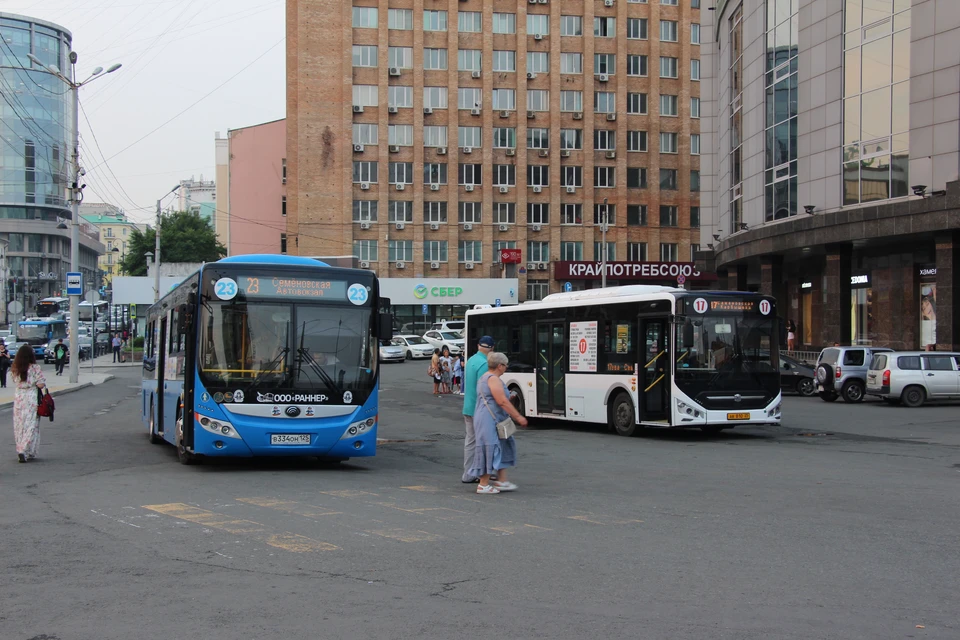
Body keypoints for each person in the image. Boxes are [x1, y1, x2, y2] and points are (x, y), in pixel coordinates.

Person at [469, 351, 528, 494]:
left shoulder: (487, 377)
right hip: (488, 419)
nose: (507, 367)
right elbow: (501, 401)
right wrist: (518, 416)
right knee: (489, 446)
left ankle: (502, 480)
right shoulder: (493, 379)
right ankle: (483, 484)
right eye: (506, 365)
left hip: (492, 418)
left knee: (503, 444)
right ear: (500, 366)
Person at [461, 335, 494, 483]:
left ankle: (468, 473)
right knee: (485, 442)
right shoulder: (484, 364)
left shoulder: (471, 360)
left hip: (468, 407)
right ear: (492, 349)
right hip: (479, 410)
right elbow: (484, 389)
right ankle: (483, 473)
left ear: (478, 346)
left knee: (471, 441)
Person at [11, 344, 46, 462]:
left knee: (19, 425)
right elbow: (40, 384)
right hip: (31, 397)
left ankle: (21, 448)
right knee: (31, 424)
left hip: (19, 397)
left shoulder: (15, 368)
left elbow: (14, 381)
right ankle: (25, 449)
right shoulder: (35, 367)